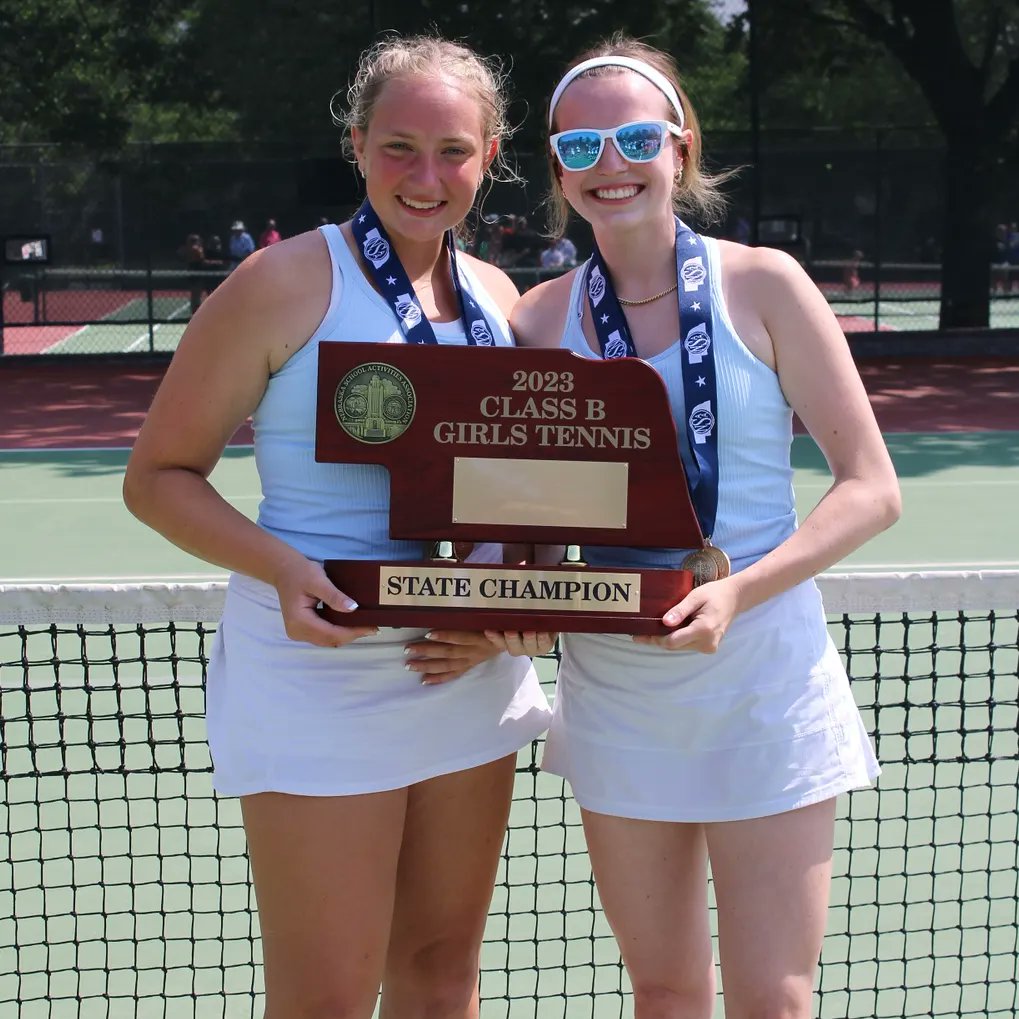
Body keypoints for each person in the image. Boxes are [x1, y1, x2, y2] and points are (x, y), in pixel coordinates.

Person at [123, 35, 552, 1018]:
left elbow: (534, 493)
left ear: (489, 155)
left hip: (466, 671)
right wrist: (282, 567)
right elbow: (158, 477)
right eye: (398, 147)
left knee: (442, 971)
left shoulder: (501, 300)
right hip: (317, 672)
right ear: (356, 146)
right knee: (324, 993)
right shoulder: (280, 283)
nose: (425, 175)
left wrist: (514, 605)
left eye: (452, 150)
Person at [491, 36, 901, 1019]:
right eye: (580, 146)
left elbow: (869, 486)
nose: (610, 163)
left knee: (773, 997)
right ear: (556, 170)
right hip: (618, 697)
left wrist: (738, 589)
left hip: (765, 684)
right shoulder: (537, 320)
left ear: (680, 147)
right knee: (665, 992)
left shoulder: (762, 284)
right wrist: (515, 587)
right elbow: (537, 515)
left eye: (634, 136)